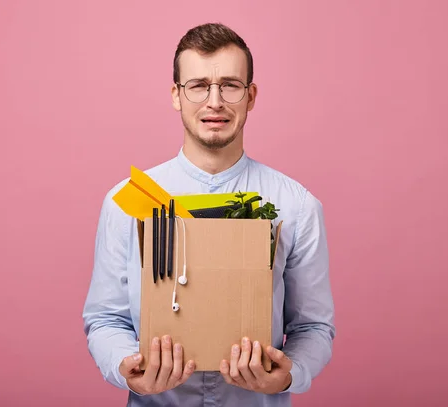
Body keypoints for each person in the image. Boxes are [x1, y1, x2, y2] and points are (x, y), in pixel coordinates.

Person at [82, 22, 335, 407]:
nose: (214, 101)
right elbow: (105, 319)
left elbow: (313, 326)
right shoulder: (126, 201)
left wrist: (289, 375)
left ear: (250, 97)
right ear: (176, 96)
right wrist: (126, 368)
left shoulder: (297, 206)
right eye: (198, 85)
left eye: (230, 86)